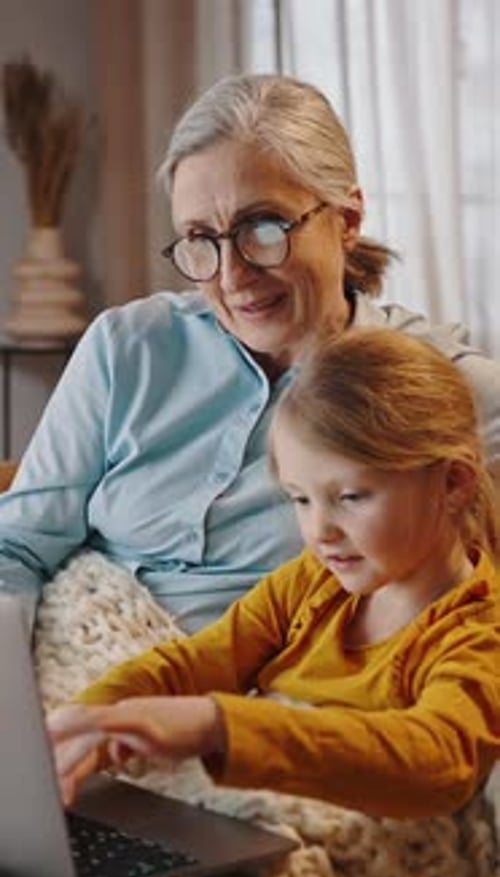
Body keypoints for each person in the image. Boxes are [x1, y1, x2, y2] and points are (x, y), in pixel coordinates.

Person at [0, 73, 499, 634]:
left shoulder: (437, 387)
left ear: (348, 219)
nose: (232, 275)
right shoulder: (127, 347)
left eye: (261, 228)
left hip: (274, 704)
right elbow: (17, 545)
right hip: (75, 670)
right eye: (200, 238)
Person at [48, 327, 500, 819]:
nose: (319, 531)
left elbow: (436, 763)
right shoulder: (312, 581)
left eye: (350, 498)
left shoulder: (478, 634)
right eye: (300, 499)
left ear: (453, 483)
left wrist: (216, 725)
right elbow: (200, 661)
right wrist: (90, 719)